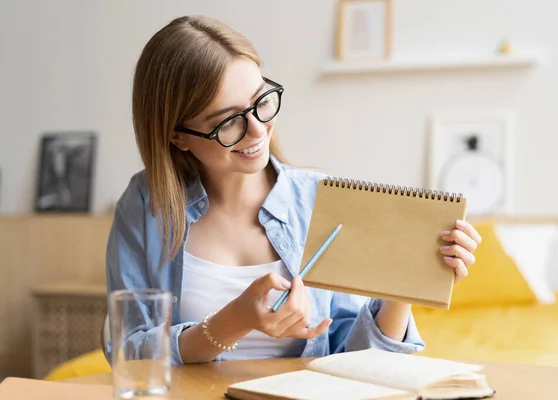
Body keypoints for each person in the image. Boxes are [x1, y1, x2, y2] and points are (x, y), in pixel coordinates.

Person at [105, 15, 482, 366]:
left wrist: (404, 286)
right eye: (228, 122)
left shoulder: (321, 199)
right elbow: (127, 354)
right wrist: (232, 321)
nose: (257, 130)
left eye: (261, 102)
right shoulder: (145, 206)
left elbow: (358, 364)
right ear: (178, 136)